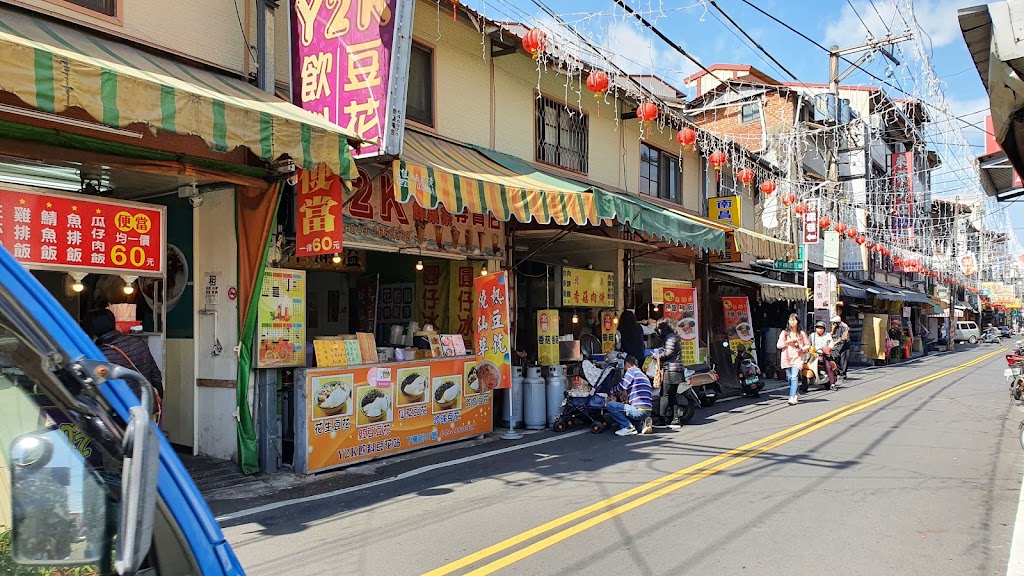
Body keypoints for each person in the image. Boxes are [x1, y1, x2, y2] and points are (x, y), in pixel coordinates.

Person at [82, 308, 164, 404]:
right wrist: (158, 398)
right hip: (146, 405)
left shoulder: (98, 354)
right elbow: (156, 374)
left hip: (122, 409)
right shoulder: (138, 342)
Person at [608, 355, 654, 436]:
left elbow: (622, 386)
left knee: (610, 405)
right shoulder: (642, 375)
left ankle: (628, 427)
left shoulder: (631, 371)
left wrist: (613, 391)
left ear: (627, 365)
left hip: (638, 409)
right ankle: (642, 423)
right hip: (648, 410)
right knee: (629, 412)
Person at [777, 313, 809, 405]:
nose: (792, 322)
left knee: (794, 377)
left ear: (798, 321)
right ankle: (796, 391)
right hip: (787, 358)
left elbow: (807, 345)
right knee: (789, 378)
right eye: (791, 320)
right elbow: (779, 345)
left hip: (798, 358)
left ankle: (792, 397)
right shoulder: (785, 333)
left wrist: (802, 349)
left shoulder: (801, 333)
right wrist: (788, 342)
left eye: (794, 320)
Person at [808, 320, 837, 390]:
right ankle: (804, 383)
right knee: (806, 366)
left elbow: (831, 343)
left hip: (824, 354)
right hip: (813, 355)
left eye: (821, 328)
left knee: (828, 367)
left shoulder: (827, 335)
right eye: (818, 328)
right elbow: (808, 343)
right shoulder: (812, 335)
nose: (820, 329)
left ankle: (832, 384)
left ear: (824, 329)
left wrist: (829, 348)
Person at [830, 314, 850, 381]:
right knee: (835, 358)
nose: (834, 323)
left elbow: (844, 337)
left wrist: (836, 342)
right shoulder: (835, 326)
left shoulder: (844, 326)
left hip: (844, 345)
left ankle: (843, 374)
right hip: (837, 346)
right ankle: (837, 372)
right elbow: (832, 333)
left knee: (843, 360)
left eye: (835, 322)